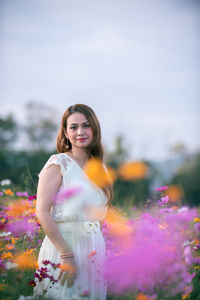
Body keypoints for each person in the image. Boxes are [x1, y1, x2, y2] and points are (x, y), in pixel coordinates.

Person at [33, 104, 113, 300]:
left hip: (94, 248)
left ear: (94, 129)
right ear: (66, 133)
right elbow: (42, 212)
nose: (80, 132)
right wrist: (66, 254)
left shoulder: (100, 168)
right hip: (65, 247)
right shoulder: (58, 163)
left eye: (86, 126)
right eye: (74, 127)